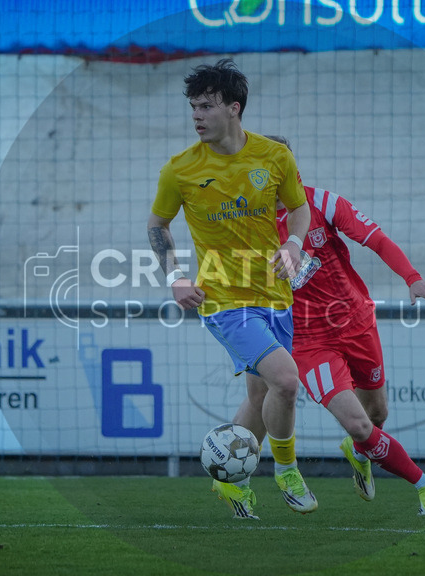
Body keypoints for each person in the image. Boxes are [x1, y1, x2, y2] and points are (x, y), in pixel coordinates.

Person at [238, 135, 425, 516]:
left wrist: (412, 278)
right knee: (357, 422)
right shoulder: (250, 225)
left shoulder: (322, 203)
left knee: (377, 414)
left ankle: (358, 451)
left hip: (357, 322)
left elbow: (376, 239)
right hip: (308, 340)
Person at [147, 59, 318, 520]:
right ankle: (286, 471)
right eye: (193, 107)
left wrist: (295, 244)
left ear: (234, 108)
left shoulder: (274, 156)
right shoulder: (180, 169)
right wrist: (175, 277)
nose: (196, 115)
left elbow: (299, 210)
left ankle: (232, 482)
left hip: (276, 296)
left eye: (206, 106)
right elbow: (157, 227)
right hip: (223, 300)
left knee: (262, 397)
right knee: (286, 381)